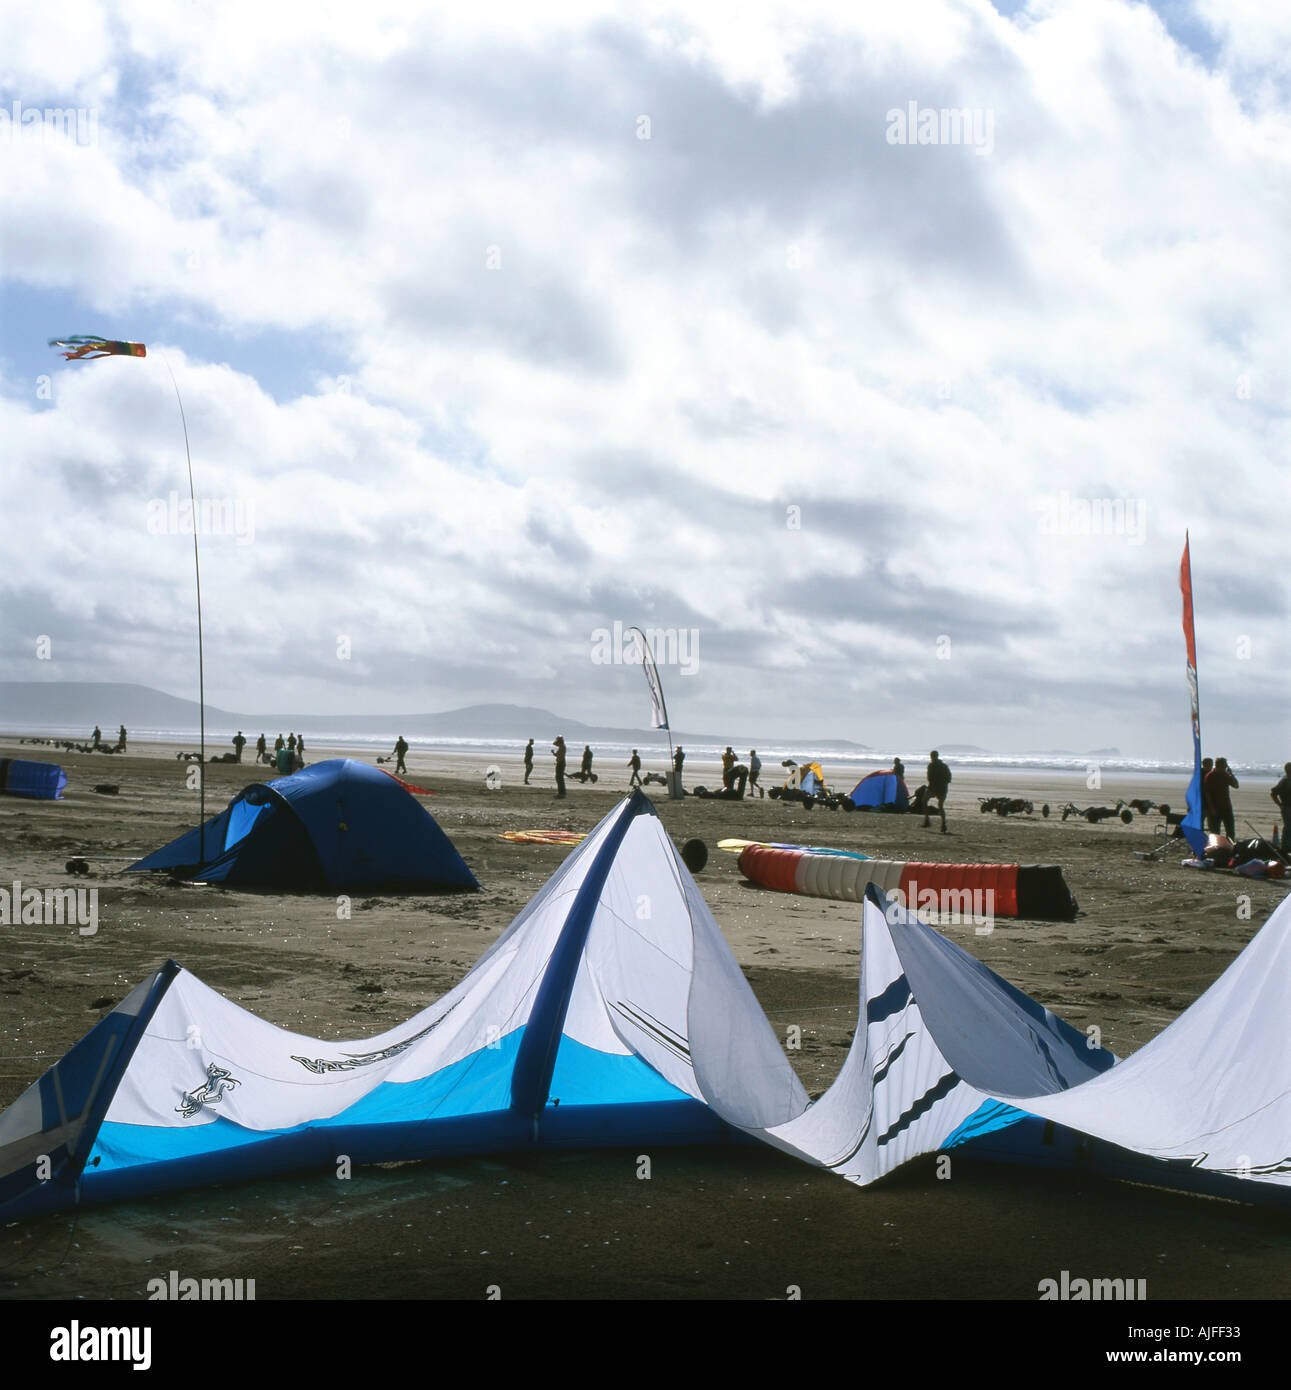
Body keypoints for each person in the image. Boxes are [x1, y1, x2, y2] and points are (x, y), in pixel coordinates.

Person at [1204, 757, 1239, 840]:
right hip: (1215, 807)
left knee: (1230, 831)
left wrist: (1231, 775)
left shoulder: (1225, 775)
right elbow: (1207, 793)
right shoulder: (1210, 776)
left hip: (1226, 807)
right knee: (1215, 832)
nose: (1225, 767)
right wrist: (1211, 808)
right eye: (1224, 766)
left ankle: (1230, 848)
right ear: (1219, 766)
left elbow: (1236, 785)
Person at [923, 750, 951, 832]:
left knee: (924, 801)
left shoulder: (931, 765)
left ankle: (927, 820)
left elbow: (929, 778)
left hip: (933, 788)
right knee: (940, 806)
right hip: (943, 788)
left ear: (931, 756)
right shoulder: (944, 766)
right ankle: (943, 824)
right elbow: (949, 778)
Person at [1271, 762, 1291, 845]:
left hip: (1286, 807)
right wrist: (1280, 804)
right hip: (1287, 807)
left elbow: (1273, 793)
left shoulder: (1284, 780)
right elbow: (1273, 793)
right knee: (1288, 828)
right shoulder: (1285, 781)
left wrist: (1279, 804)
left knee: (1288, 828)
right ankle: (1285, 846)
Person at [1198, 757, 1215, 830]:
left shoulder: (1212, 774)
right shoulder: (1199, 774)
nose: (1211, 766)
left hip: (1211, 800)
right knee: (1200, 821)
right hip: (1202, 801)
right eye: (1209, 765)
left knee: (1212, 823)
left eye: (1211, 765)